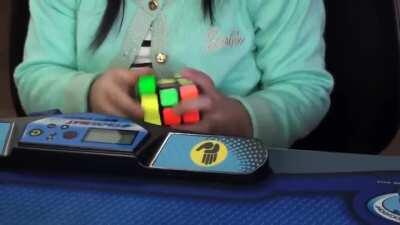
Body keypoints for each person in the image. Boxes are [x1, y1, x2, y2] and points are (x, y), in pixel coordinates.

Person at [14, 0, 333, 147]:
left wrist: (240, 118)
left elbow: (304, 87)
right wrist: (89, 93)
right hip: (96, 169)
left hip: (223, 170)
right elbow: (35, 76)